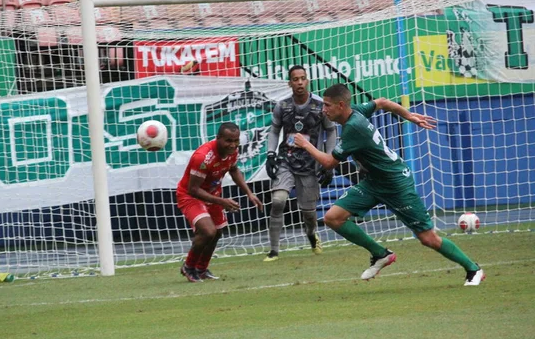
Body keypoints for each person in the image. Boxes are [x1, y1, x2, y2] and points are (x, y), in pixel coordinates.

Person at [293, 83, 485, 286]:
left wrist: (306, 145)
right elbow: (383, 102)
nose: (324, 110)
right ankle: (380, 254)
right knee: (333, 218)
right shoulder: (356, 111)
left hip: (396, 184)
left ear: (341, 105)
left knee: (428, 238)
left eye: (327, 105)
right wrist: (408, 115)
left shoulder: (353, 128)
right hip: (374, 182)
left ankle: (474, 269)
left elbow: (330, 162)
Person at [264, 65, 358, 262]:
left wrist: (329, 160)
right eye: (295, 79)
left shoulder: (319, 106)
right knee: (278, 201)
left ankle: (312, 236)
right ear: (289, 83)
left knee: (308, 213)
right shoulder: (282, 106)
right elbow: (274, 131)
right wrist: (270, 154)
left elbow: (331, 131)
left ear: (308, 81)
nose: (299, 82)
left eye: (303, 78)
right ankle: (273, 250)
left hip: (310, 164)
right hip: (286, 161)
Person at [177, 122, 263, 282]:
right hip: (190, 196)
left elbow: (234, 169)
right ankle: (188, 267)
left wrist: (249, 193)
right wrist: (222, 201)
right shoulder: (203, 158)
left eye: (236, 140)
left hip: (213, 195)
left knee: (217, 232)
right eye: (228, 141)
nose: (233, 145)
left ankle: (201, 269)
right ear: (218, 138)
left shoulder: (233, 151)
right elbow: (193, 189)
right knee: (208, 231)